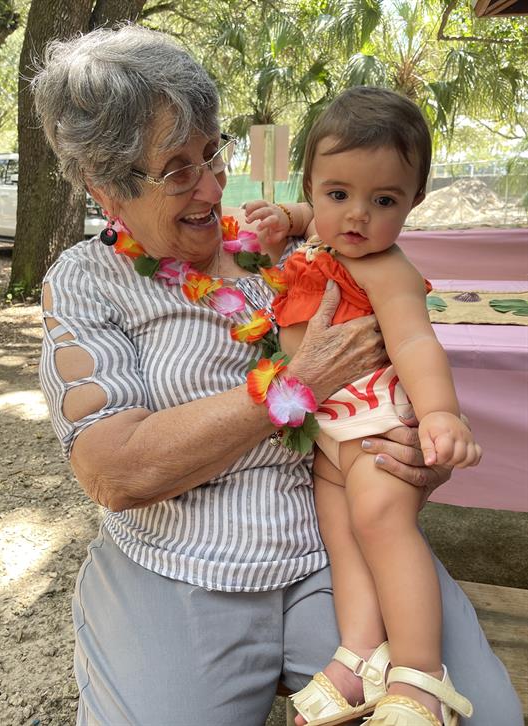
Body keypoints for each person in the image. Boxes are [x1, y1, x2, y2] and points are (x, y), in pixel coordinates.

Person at [34, 25, 522, 726]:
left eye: (211, 150)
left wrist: (421, 440)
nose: (211, 185)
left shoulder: (298, 240)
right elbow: (113, 471)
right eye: (176, 170)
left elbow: (406, 341)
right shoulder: (86, 281)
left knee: (484, 720)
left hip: (343, 544)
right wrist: (292, 385)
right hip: (182, 565)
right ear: (103, 187)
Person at [244, 86, 486, 726]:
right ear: (314, 187)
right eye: (338, 195)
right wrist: (288, 221)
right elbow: (314, 214)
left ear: (414, 202)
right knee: (344, 538)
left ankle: (421, 678)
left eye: (384, 201)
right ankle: (357, 656)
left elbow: (413, 341)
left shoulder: (385, 267)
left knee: (382, 525)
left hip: (378, 428)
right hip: (330, 439)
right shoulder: (324, 241)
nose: (358, 216)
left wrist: (439, 413)